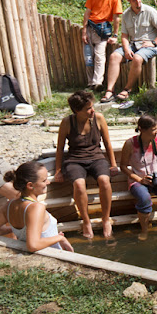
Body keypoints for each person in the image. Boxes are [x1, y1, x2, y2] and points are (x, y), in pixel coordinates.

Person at [55, 91, 118, 239]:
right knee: (79, 184)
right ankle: (86, 221)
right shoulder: (67, 122)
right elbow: (60, 148)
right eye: (88, 108)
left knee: (104, 181)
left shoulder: (99, 119)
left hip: (96, 157)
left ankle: (106, 219)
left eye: (92, 106)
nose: (92, 110)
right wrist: (58, 170)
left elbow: (108, 143)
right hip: (75, 160)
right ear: (77, 111)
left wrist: (113, 164)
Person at [0, 162, 74, 252]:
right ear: (30, 185)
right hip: (49, 257)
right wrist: (60, 238)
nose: (48, 182)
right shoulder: (36, 207)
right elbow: (33, 245)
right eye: (44, 180)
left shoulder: (9, 205)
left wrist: (13, 228)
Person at [100, 0, 157, 103]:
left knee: (137, 58)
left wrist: (154, 42)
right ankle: (109, 91)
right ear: (128, 0)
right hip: (133, 44)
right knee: (114, 56)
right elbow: (125, 35)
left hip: (149, 45)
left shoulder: (149, 11)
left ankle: (127, 89)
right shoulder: (126, 14)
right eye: (134, 0)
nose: (138, 2)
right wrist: (126, 49)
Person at [120, 115, 157, 241]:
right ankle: (144, 231)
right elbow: (123, 166)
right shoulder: (130, 143)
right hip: (139, 180)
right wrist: (139, 179)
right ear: (142, 129)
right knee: (145, 199)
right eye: (154, 129)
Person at [81, 0, 123, 91]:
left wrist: (115, 34)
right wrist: (84, 31)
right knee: (88, 57)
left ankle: (97, 82)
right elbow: (87, 13)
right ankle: (90, 83)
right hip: (90, 27)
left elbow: (116, 17)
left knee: (100, 56)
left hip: (103, 29)